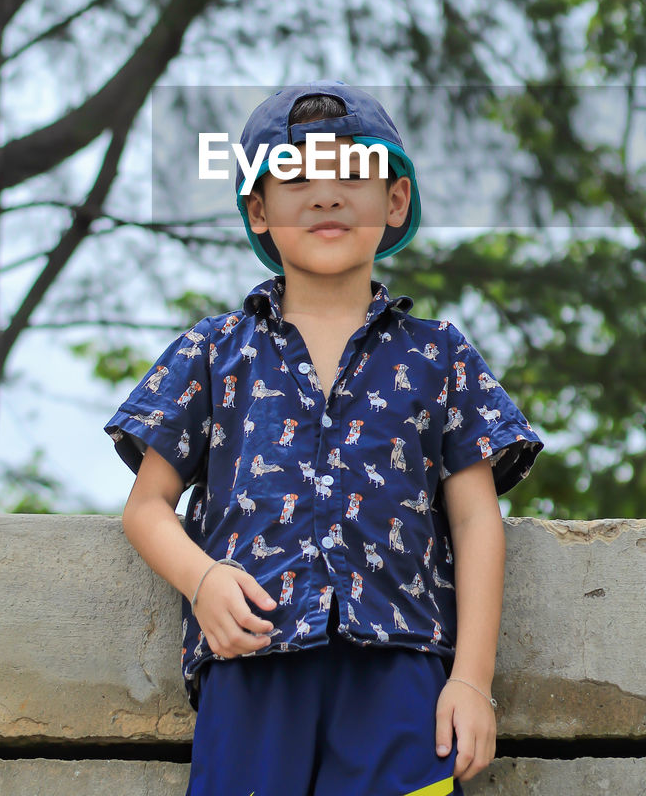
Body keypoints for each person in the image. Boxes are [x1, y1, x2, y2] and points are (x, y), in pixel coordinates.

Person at [105, 81, 543, 796]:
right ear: (259, 210)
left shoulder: (441, 356)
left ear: (394, 201)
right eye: (295, 177)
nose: (325, 194)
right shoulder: (214, 352)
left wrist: (471, 680)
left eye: (351, 174)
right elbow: (145, 505)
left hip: (405, 671)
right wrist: (203, 577)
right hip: (251, 667)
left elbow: (474, 518)